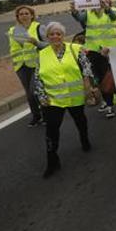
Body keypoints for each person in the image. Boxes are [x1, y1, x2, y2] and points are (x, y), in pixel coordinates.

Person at [33, 22, 96, 178]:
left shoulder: (75, 49)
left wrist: (88, 89)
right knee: (51, 130)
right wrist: (42, 97)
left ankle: (84, 139)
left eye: (58, 34)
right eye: (51, 34)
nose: (55, 37)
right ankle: (52, 161)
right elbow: (37, 77)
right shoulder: (42, 54)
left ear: (63, 35)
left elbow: (86, 68)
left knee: (80, 120)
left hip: (75, 97)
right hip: (53, 100)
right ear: (47, 37)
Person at [71, 0, 116, 119]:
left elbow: (114, 17)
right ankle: (107, 103)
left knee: (112, 78)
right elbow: (79, 17)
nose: (101, 1)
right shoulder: (88, 13)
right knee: (99, 78)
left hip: (111, 51)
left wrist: (106, 7)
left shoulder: (112, 11)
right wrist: (74, 11)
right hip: (94, 51)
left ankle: (113, 103)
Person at [8, 5, 48, 127]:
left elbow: (49, 45)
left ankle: (45, 114)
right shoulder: (12, 30)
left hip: (36, 64)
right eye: (21, 14)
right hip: (20, 65)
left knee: (34, 91)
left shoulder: (39, 28)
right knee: (28, 93)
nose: (24, 16)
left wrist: (37, 43)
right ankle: (36, 116)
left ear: (31, 15)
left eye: (26, 13)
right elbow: (13, 48)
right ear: (18, 17)